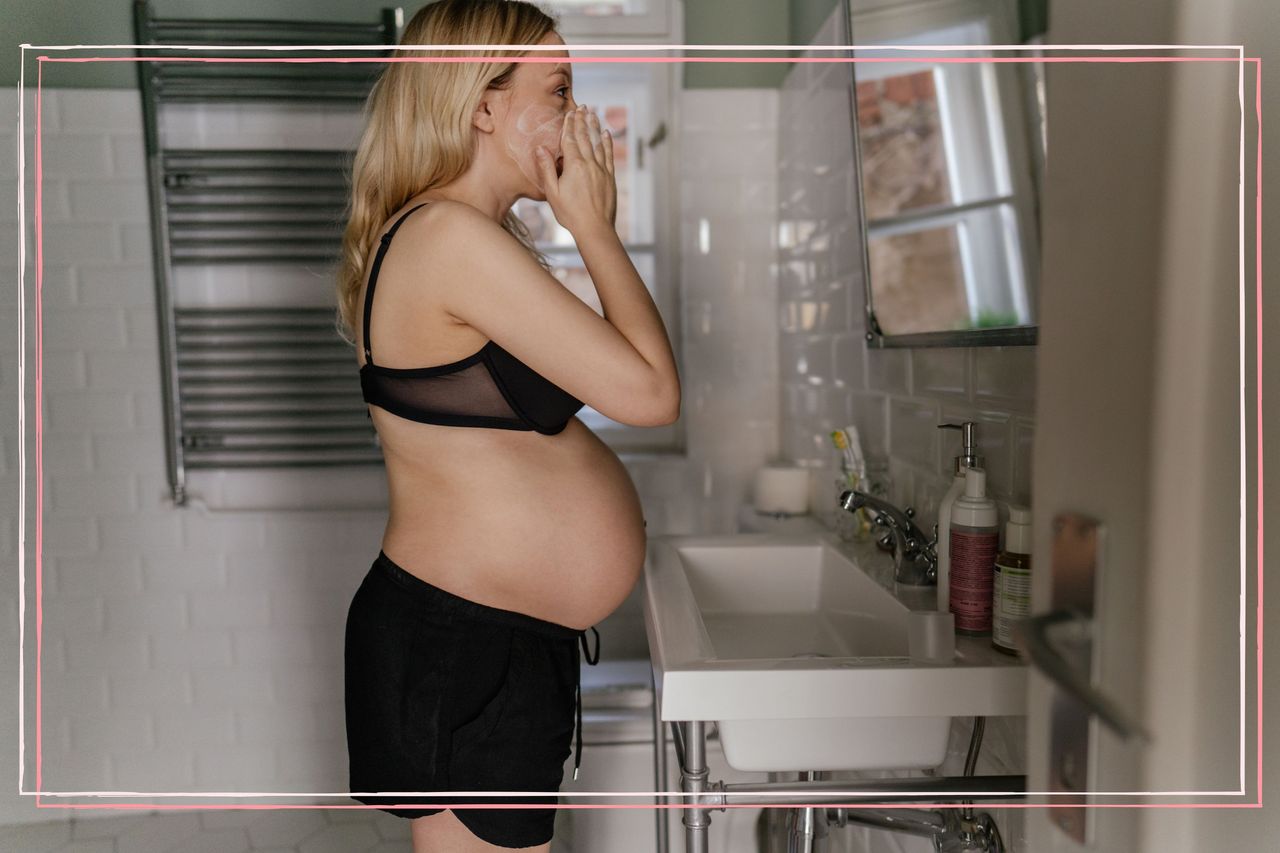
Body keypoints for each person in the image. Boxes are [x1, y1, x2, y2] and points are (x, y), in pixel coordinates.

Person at [335, 1, 680, 851]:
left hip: (485, 635)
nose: (576, 115)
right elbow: (649, 391)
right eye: (558, 89)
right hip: (464, 640)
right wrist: (593, 223)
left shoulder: (461, 235)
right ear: (482, 105)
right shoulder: (447, 237)